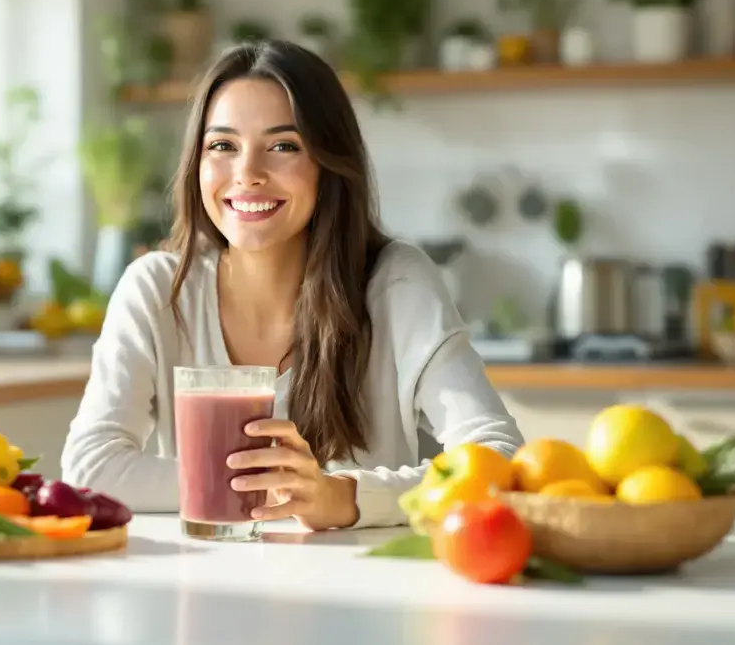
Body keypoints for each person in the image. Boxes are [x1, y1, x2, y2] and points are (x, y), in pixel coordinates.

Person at [61, 39, 524, 531]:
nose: (248, 174)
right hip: (204, 580)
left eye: (283, 146)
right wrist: (276, 484)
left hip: (366, 587)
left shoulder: (397, 283)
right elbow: (91, 468)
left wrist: (346, 497)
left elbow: (498, 456)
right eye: (222, 146)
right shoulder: (157, 289)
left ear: (329, 163)